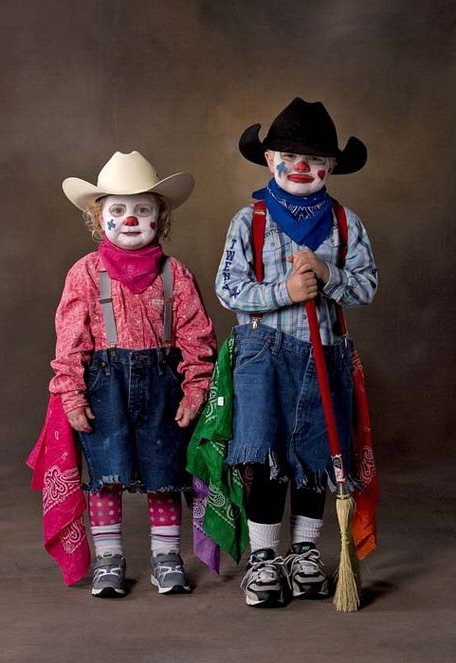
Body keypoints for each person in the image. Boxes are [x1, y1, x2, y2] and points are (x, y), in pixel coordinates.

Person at [215, 98, 378, 608]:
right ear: (269, 160)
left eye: (315, 157)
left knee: (315, 457)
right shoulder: (250, 220)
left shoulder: (345, 223)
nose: (301, 165)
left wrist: (329, 277)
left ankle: (305, 551)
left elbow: (367, 288)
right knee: (264, 453)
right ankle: (265, 559)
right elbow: (228, 288)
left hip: (324, 353)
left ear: (331, 167)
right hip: (263, 355)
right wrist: (285, 290)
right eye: (289, 154)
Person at [50, 150, 216, 598]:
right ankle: (109, 559)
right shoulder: (84, 273)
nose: (129, 219)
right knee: (106, 474)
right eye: (117, 210)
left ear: (160, 218)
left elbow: (197, 337)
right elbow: (69, 342)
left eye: (142, 209)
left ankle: (166, 559)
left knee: (165, 473)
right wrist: (72, 396)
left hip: (162, 382)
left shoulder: (175, 274)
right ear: (97, 218)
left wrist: (194, 391)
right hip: (104, 383)